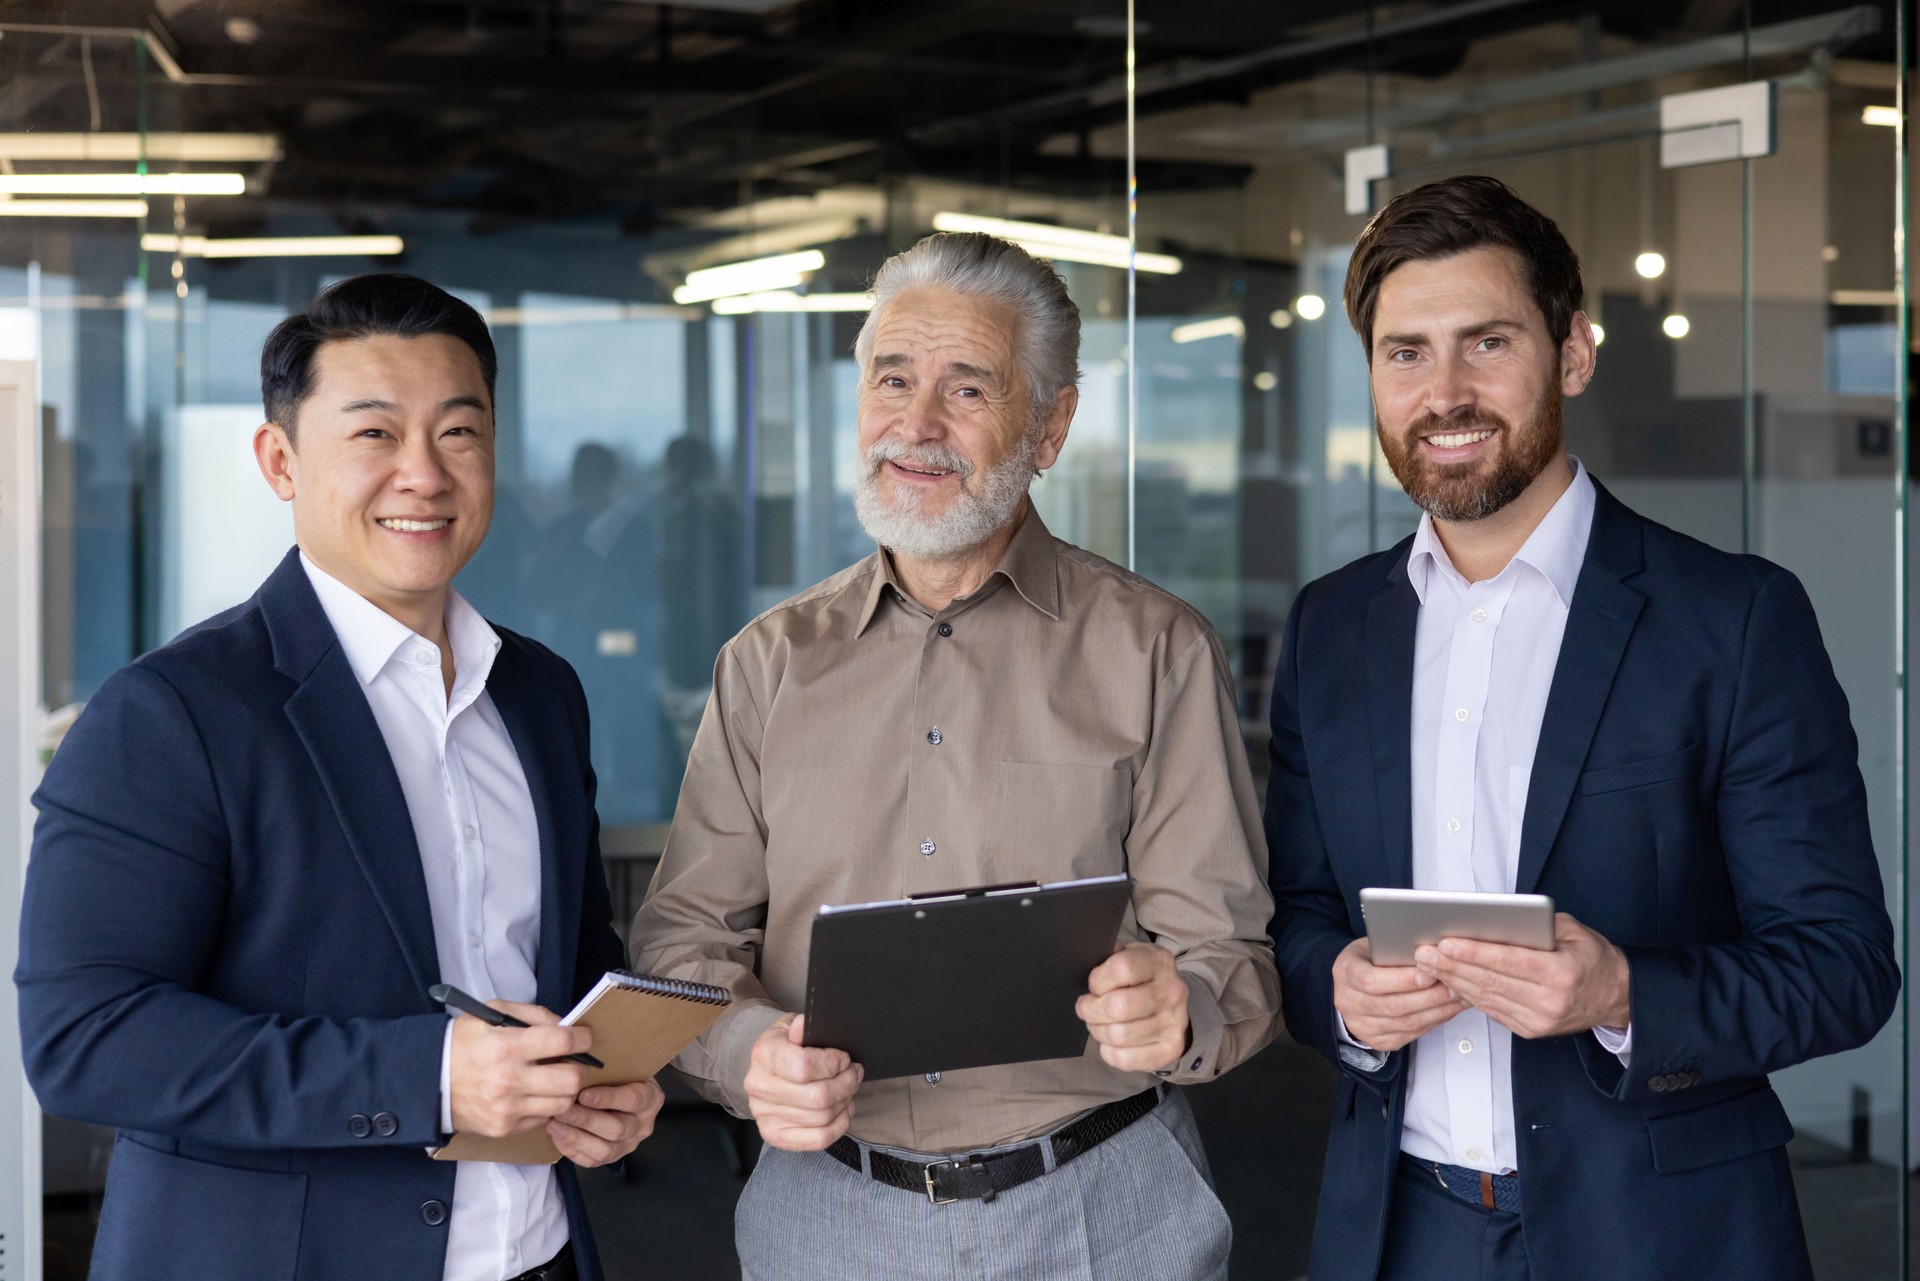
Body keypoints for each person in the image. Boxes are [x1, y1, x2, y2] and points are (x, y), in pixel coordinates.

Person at [1265, 176, 1899, 1281]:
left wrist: (1621, 996)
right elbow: (1298, 916)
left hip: (1661, 1237)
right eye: (1406, 352)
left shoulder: (1735, 619)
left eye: (1488, 343)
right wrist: (1342, 997)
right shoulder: (1332, 627)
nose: (1445, 391)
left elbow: (1844, 968)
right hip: (1397, 1232)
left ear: (1572, 354)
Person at [632, 231, 1280, 1281]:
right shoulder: (767, 665)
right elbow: (680, 944)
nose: (916, 426)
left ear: (1051, 424)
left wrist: (1186, 1007)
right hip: (828, 1214)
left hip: (1104, 1215)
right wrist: (744, 1052)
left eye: (968, 388)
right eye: (893, 378)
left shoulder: (1155, 649)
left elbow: (1232, 953)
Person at [15, 274, 664, 1281]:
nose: (424, 475)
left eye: (459, 432)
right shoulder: (173, 713)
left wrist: (601, 1080)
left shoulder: (538, 694)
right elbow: (87, 1036)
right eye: (373, 435)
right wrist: (434, 1075)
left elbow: (571, 957)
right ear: (280, 459)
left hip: (537, 1256)